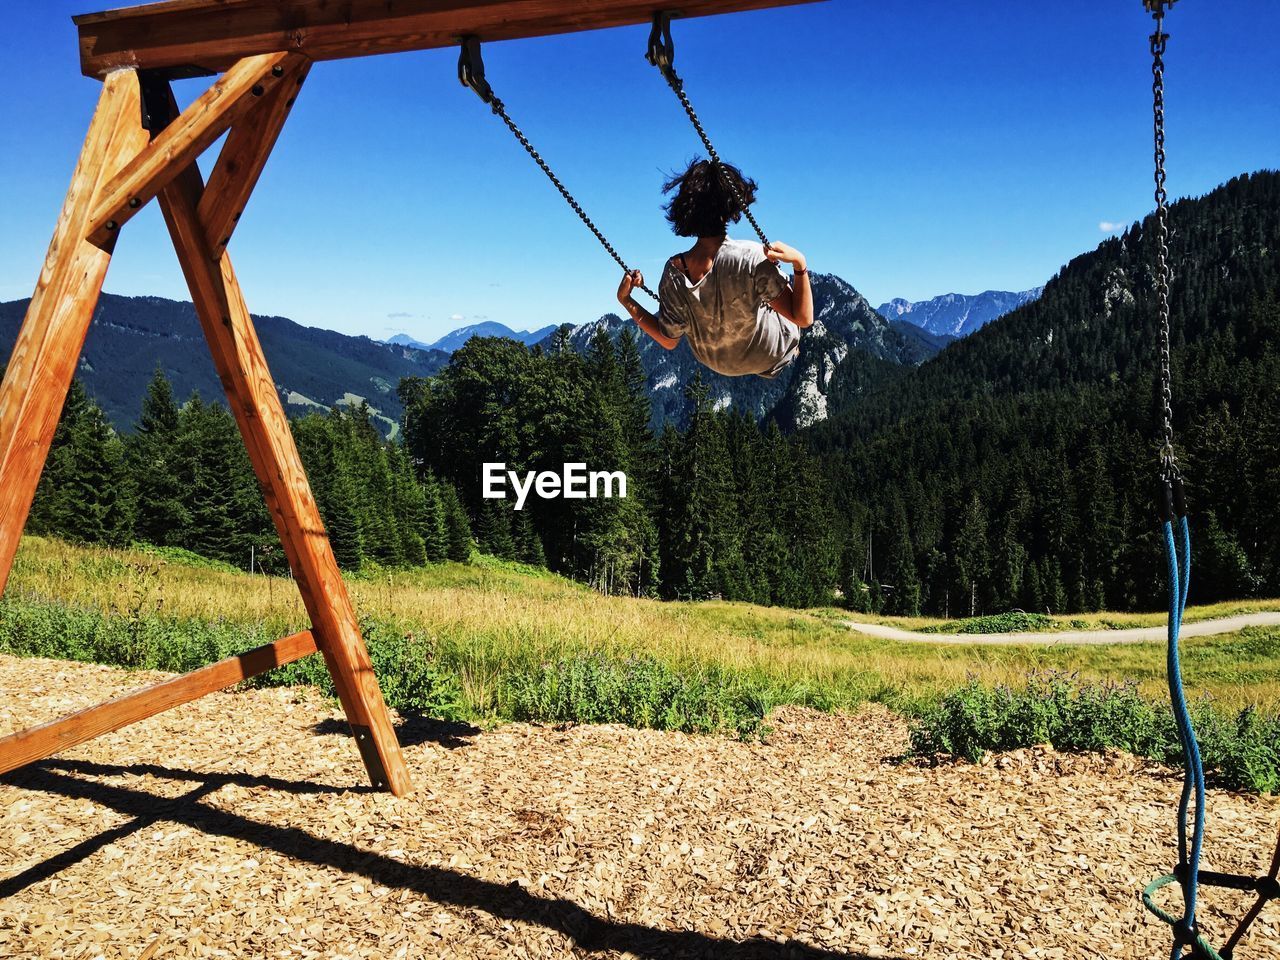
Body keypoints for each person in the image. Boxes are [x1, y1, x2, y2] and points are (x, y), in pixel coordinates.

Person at [615, 158, 812, 379]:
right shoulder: (750, 257)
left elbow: (668, 341)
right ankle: (790, 348)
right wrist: (800, 265)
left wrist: (627, 300)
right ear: (729, 208)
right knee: (783, 305)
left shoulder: (672, 273)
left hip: (716, 362)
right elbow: (803, 318)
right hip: (767, 354)